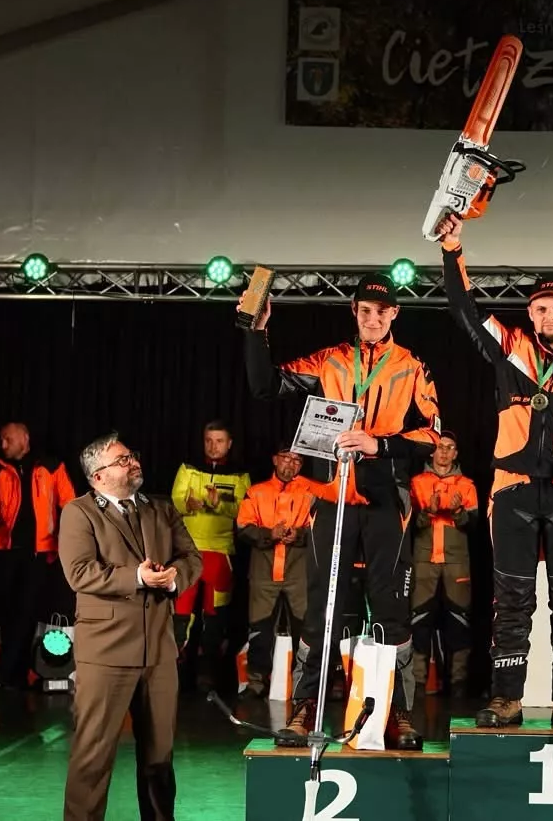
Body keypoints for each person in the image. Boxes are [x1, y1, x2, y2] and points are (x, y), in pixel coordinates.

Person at [435, 215, 553, 730]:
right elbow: (464, 308)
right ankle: (506, 699)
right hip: (512, 492)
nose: (549, 315)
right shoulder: (510, 347)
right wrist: (453, 249)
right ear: (530, 313)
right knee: (512, 602)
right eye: (540, 308)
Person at [242, 273, 442, 748]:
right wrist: (256, 332)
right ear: (354, 311)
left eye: (381, 312)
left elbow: (433, 433)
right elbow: (265, 387)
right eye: (364, 310)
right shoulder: (328, 360)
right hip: (332, 494)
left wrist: (379, 444)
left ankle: (399, 711)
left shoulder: (411, 365)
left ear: (394, 314)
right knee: (321, 606)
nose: (372, 319)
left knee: (391, 606)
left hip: (385, 497)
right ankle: (304, 707)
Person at [58, 432, 202, 821]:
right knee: (93, 756)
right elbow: (80, 572)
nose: (133, 462)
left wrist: (172, 579)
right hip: (106, 652)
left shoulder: (160, 509)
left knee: (159, 757)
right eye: (122, 460)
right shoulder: (79, 512)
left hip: (158, 651)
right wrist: (137, 577)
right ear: (98, 476)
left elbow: (191, 557)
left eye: (132, 456)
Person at [0, 422, 77, 689]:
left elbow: (69, 502)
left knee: (25, 612)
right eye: (1, 440)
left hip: (38, 552)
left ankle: (6, 673)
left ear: (24, 439)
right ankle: (16, 674)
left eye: (8, 440)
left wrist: (66, 535)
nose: (2, 445)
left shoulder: (51, 466)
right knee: (8, 612)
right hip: (5, 550)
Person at [169, 420, 251, 690]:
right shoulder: (188, 467)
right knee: (181, 614)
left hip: (220, 552)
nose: (213, 446)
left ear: (229, 444)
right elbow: (175, 500)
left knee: (214, 616)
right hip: (187, 552)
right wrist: (188, 503)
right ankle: (173, 672)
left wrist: (220, 503)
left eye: (219, 441)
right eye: (208, 440)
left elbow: (244, 508)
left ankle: (209, 673)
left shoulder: (240, 474)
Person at [236, 443, 316, 700]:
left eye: (297, 460)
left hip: (298, 571)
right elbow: (243, 528)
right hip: (264, 571)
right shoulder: (256, 492)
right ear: (274, 459)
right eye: (285, 458)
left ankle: (304, 684)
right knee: (260, 630)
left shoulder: (311, 491)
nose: (290, 464)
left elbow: (322, 529)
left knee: (304, 630)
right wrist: (270, 534)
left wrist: (299, 535)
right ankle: (256, 683)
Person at [408, 431, 479, 695]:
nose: (444, 452)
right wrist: (428, 512)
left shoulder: (467, 485)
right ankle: (417, 683)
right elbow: (408, 527)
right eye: (440, 447)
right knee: (419, 621)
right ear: (432, 451)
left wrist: (458, 512)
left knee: (459, 621)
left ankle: (458, 685)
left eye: (450, 447)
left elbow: (474, 527)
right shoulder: (416, 483)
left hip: (456, 563)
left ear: (456, 453)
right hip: (423, 562)